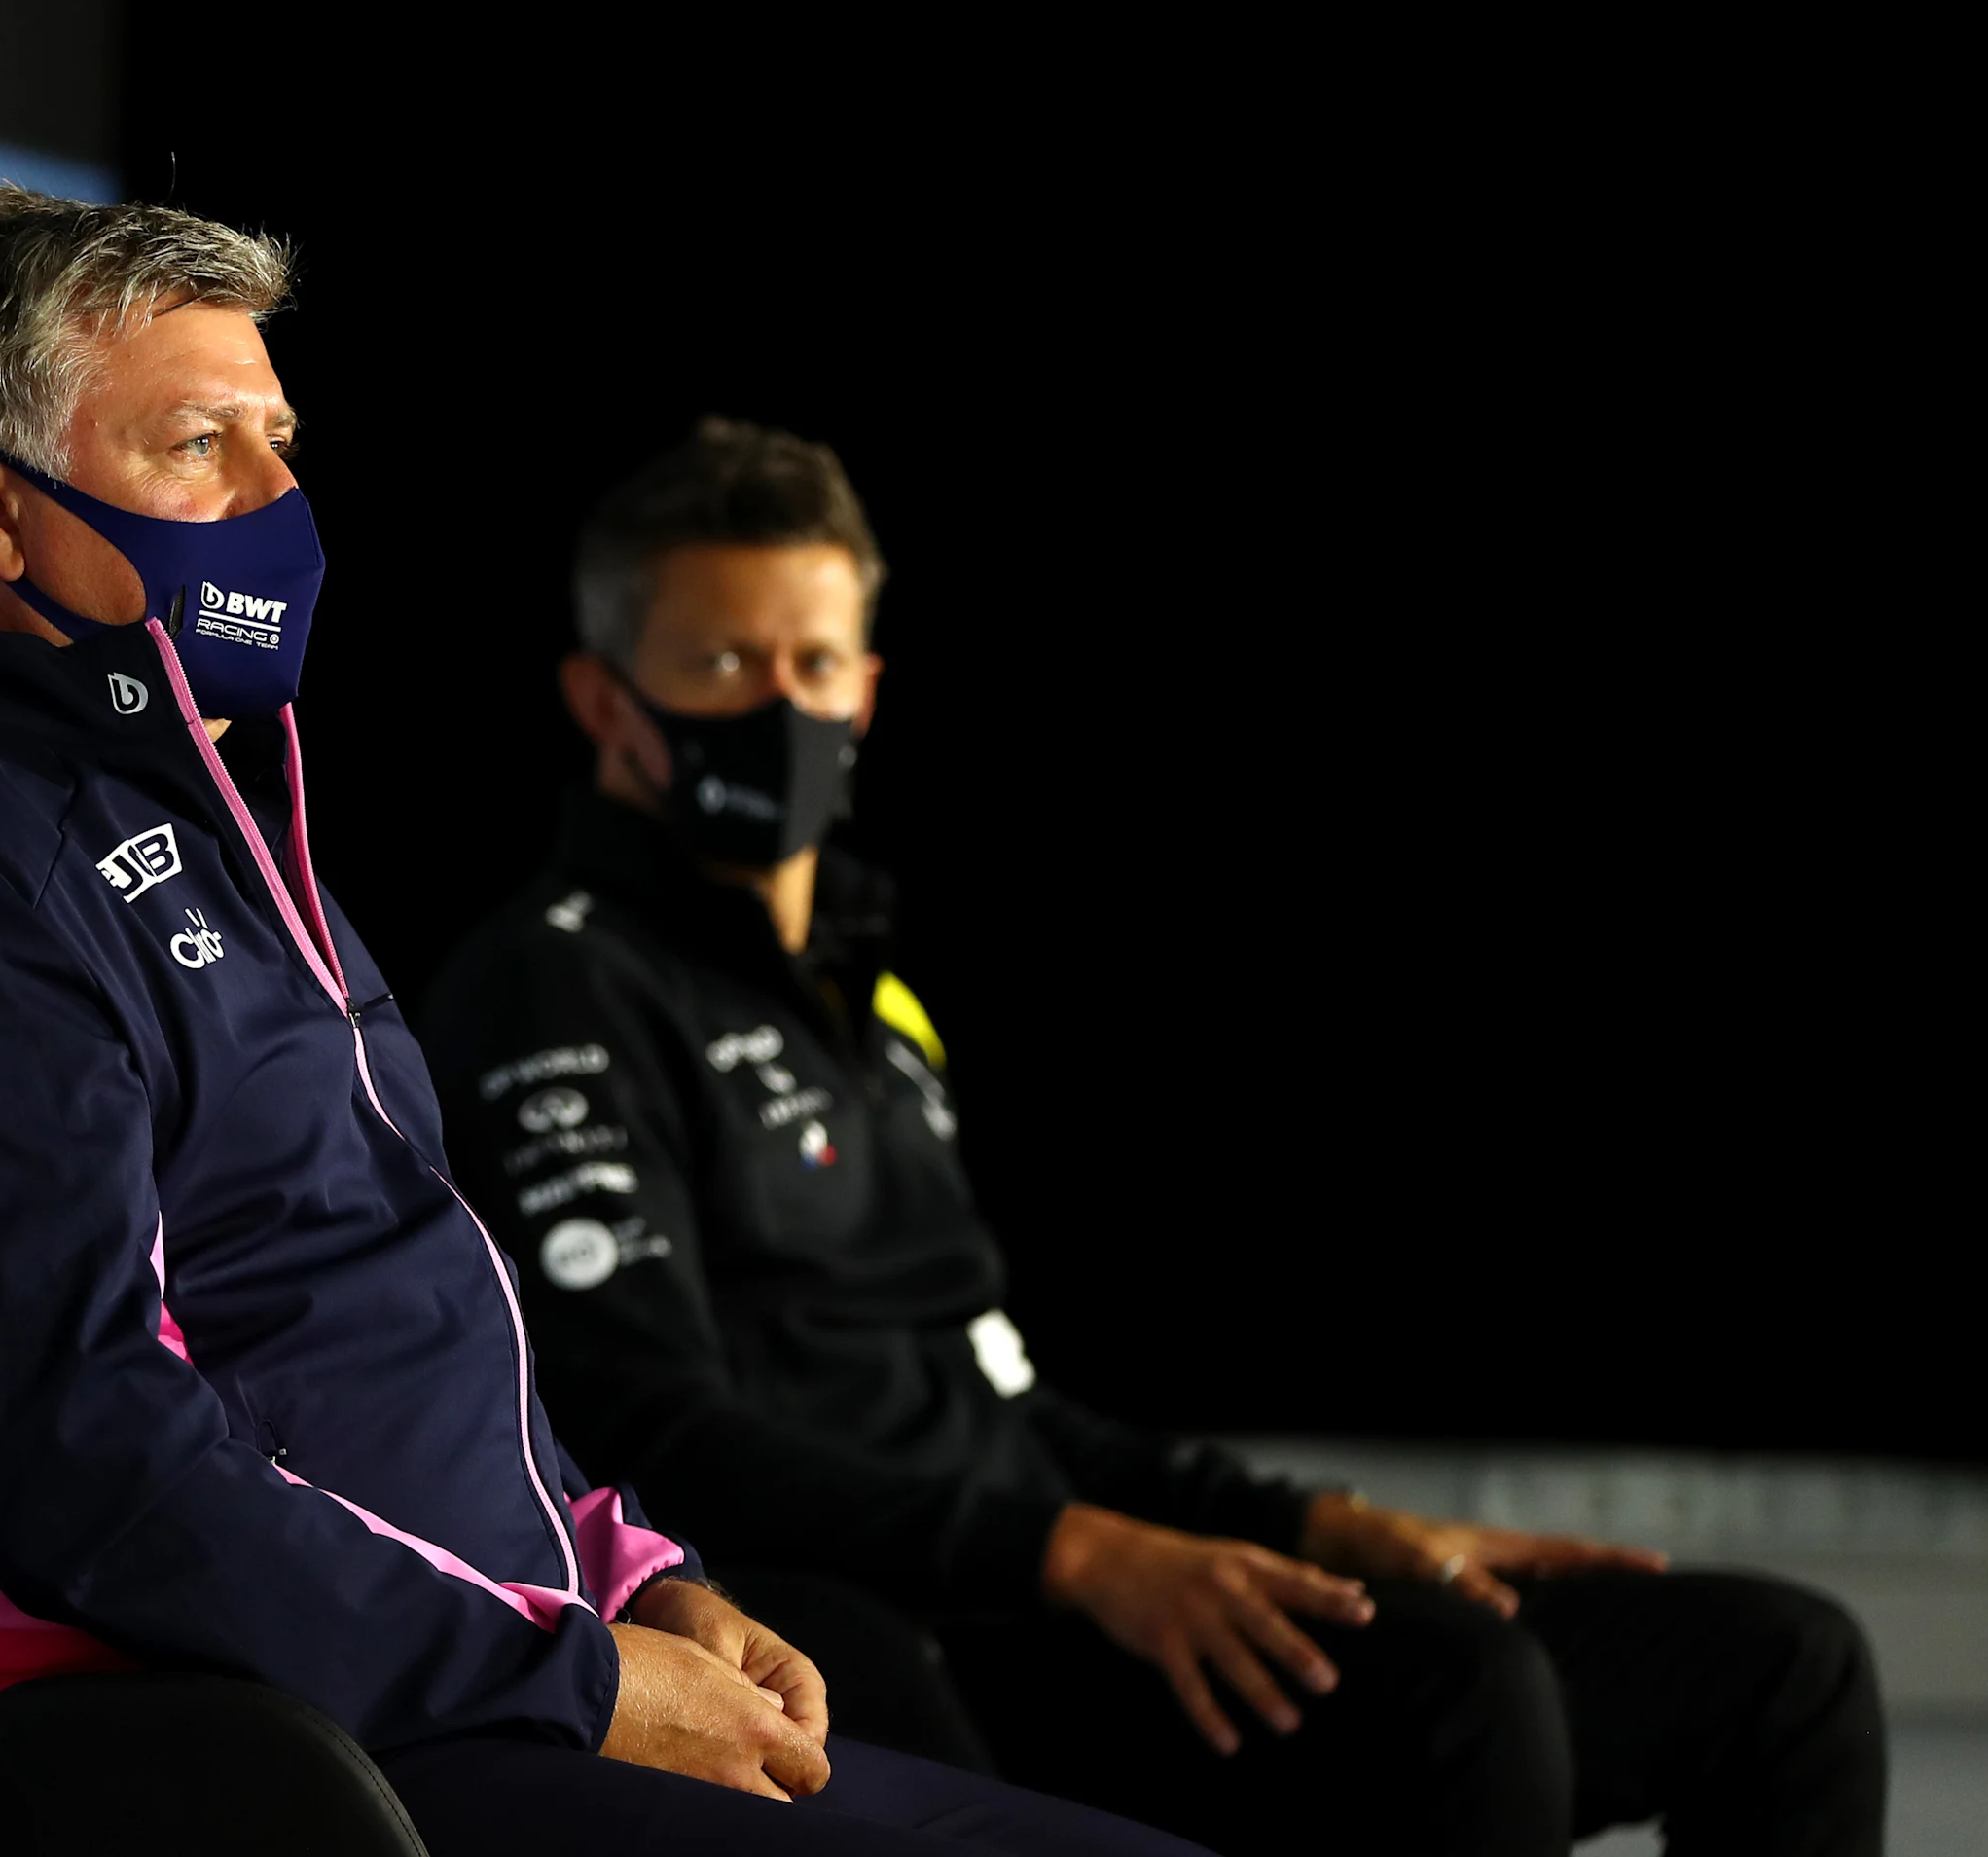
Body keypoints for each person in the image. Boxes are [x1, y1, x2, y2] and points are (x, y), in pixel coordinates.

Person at [0, 185, 1207, 1857]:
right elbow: (89, 1465)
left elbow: (389, 1310)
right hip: (243, 1748)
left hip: (458, 1690)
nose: (281, 500)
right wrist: (584, 1677)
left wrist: (639, 1576)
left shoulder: (208, 820)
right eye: (202, 443)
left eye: (281, 439)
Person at [416, 417, 1890, 1857]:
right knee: (1455, 1689)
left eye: (811, 664)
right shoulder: (552, 982)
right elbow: (646, 1428)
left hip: (1048, 1573)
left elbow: (1002, 1398)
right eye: (723, 664)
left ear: (867, 690)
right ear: (606, 700)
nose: (779, 707)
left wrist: (1317, 1520)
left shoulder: (874, 998)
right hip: (903, 1624)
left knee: (1786, 1661)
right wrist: (1076, 1555)